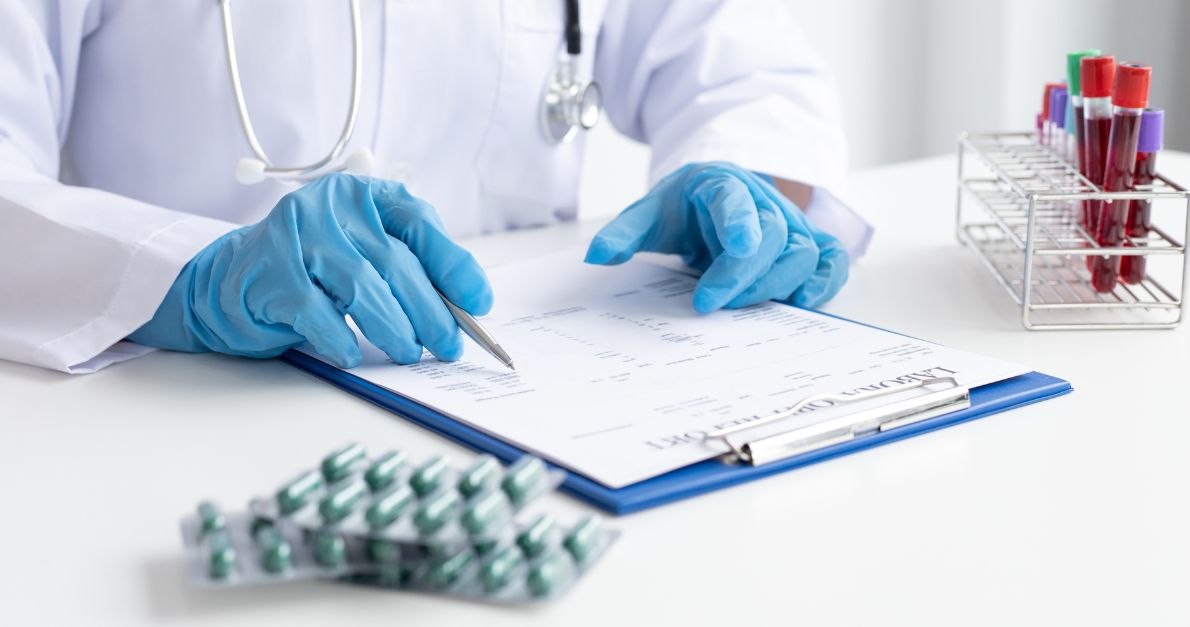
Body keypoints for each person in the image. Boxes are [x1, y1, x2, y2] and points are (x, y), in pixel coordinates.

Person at [0, 0, 870, 374]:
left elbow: (745, 68)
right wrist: (191, 275)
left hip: (529, 409)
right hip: (166, 392)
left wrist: (748, 186)